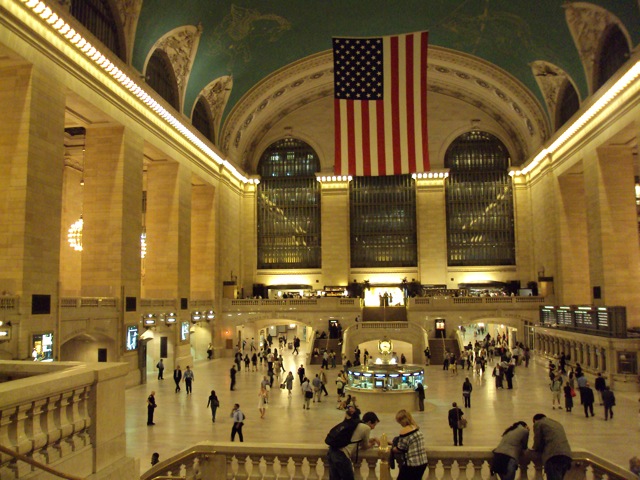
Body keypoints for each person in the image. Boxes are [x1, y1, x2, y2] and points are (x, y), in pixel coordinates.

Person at [327, 408, 380, 480]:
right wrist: (372, 444)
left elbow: (354, 439)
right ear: (370, 422)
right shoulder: (366, 428)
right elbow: (365, 446)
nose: (373, 428)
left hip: (332, 452)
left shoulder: (355, 424)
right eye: (374, 425)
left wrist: (372, 440)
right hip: (342, 455)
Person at [530, 413, 572, 480]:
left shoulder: (539, 423)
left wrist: (536, 448)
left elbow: (538, 440)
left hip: (553, 455)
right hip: (567, 454)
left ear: (535, 420)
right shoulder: (557, 423)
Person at [392, 409, 428, 480]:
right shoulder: (416, 427)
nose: (400, 424)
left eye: (400, 422)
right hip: (422, 462)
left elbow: (400, 449)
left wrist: (392, 448)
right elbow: (409, 442)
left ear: (403, 420)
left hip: (412, 464)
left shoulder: (404, 431)